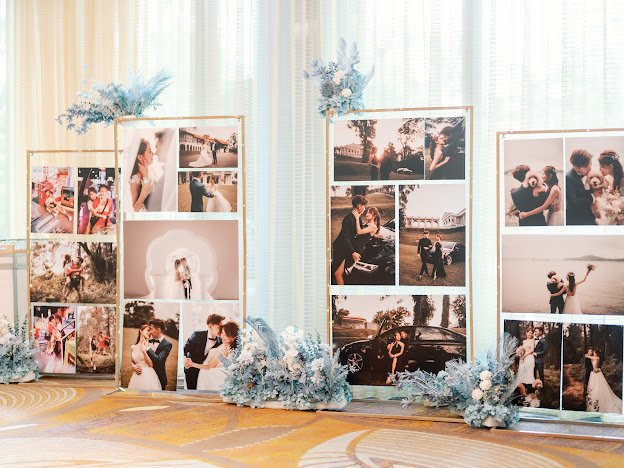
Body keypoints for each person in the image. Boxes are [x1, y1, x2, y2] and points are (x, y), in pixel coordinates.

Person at [187, 321, 240, 391]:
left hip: (229, 377)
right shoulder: (221, 349)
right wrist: (192, 364)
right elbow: (208, 366)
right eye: (222, 333)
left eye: (226, 335)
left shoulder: (238, 351)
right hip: (218, 377)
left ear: (233, 337)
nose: (223, 337)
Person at [332, 195, 368, 285]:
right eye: (364, 206)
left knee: (342, 273)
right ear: (359, 206)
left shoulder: (358, 217)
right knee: (337, 274)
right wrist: (353, 252)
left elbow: (360, 230)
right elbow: (345, 237)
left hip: (347, 248)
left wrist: (374, 234)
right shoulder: (348, 218)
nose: (365, 208)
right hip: (340, 248)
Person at [183, 314, 224, 390]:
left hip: (206, 374)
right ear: (210, 326)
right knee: (192, 394)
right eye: (219, 327)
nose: (222, 329)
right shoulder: (197, 335)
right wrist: (186, 360)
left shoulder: (220, 341)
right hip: (192, 370)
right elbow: (185, 349)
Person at [131, 319, 172, 391]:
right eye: (148, 330)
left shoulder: (167, 344)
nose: (150, 332)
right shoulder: (147, 341)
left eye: (151, 329)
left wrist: (147, 348)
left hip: (158, 376)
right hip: (141, 375)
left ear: (158, 330)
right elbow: (134, 360)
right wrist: (133, 366)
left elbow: (159, 360)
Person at [586, 348, 623, 414]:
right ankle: (593, 400)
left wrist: (588, 354)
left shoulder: (596, 358)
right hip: (594, 373)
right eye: (593, 352)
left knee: (598, 386)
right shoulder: (595, 358)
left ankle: (597, 401)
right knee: (593, 386)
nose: (593, 353)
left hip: (596, 373)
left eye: (594, 352)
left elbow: (587, 356)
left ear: (596, 353)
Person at [128, 324, 162, 391]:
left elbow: (150, 365)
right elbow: (131, 361)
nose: (149, 333)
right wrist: (133, 366)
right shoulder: (133, 347)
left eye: (150, 332)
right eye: (148, 330)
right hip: (137, 375)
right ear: (141, 331)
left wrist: (144, 351)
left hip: (148, 375)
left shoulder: (150, 346)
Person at [566, 149, 596, 225]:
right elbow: (576, 202)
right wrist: (593, 198)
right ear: (576, 168)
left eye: (590, 164)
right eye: (586, 167)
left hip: (589, 214)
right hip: (577, 218)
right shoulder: (568, 178)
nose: (590, 168)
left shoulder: (588, 173)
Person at [129, 139, 155, 212]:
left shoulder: (148, 172)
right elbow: (136, 208)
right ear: (140, 157)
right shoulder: (136, 178)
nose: (153, 154)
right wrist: (145, 191)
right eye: (149, 151)